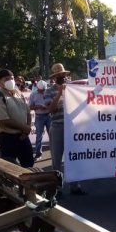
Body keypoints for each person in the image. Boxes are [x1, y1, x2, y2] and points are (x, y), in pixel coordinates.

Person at [45, 63, 86, 195]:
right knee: (56, 160)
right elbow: (51, 110)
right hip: (57, 127)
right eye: (59, 75)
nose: (62, 77)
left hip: (72, 128)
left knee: (74, 158)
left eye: (63, 75)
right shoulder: (49, 91)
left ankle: (75, 186)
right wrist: (59, 94)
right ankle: (57, 188)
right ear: (54, 77)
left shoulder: (72, 89)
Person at [0, 69, 34, 167]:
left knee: (29, 165)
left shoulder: (18, 92)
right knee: (11, 169)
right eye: (6, 79)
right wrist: (24, 128)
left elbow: (27, 111)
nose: (10, 81)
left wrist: (27, 129)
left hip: (23, 136)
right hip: (7, 138)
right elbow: (3, 120)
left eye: (12, 78)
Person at [29, 80, 50, 161]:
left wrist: (47, 106)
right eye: (41, 90)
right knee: (39, 136)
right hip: (39, 116)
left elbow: (53, 104)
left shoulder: (48, 93)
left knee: (52, 135)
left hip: (48, 115)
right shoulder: (33, 95)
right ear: (38, 89)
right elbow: (30, 107)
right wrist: (37, 106)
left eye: (44, 90)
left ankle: (54, 153)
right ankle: (38, 154)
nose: (42, 92)